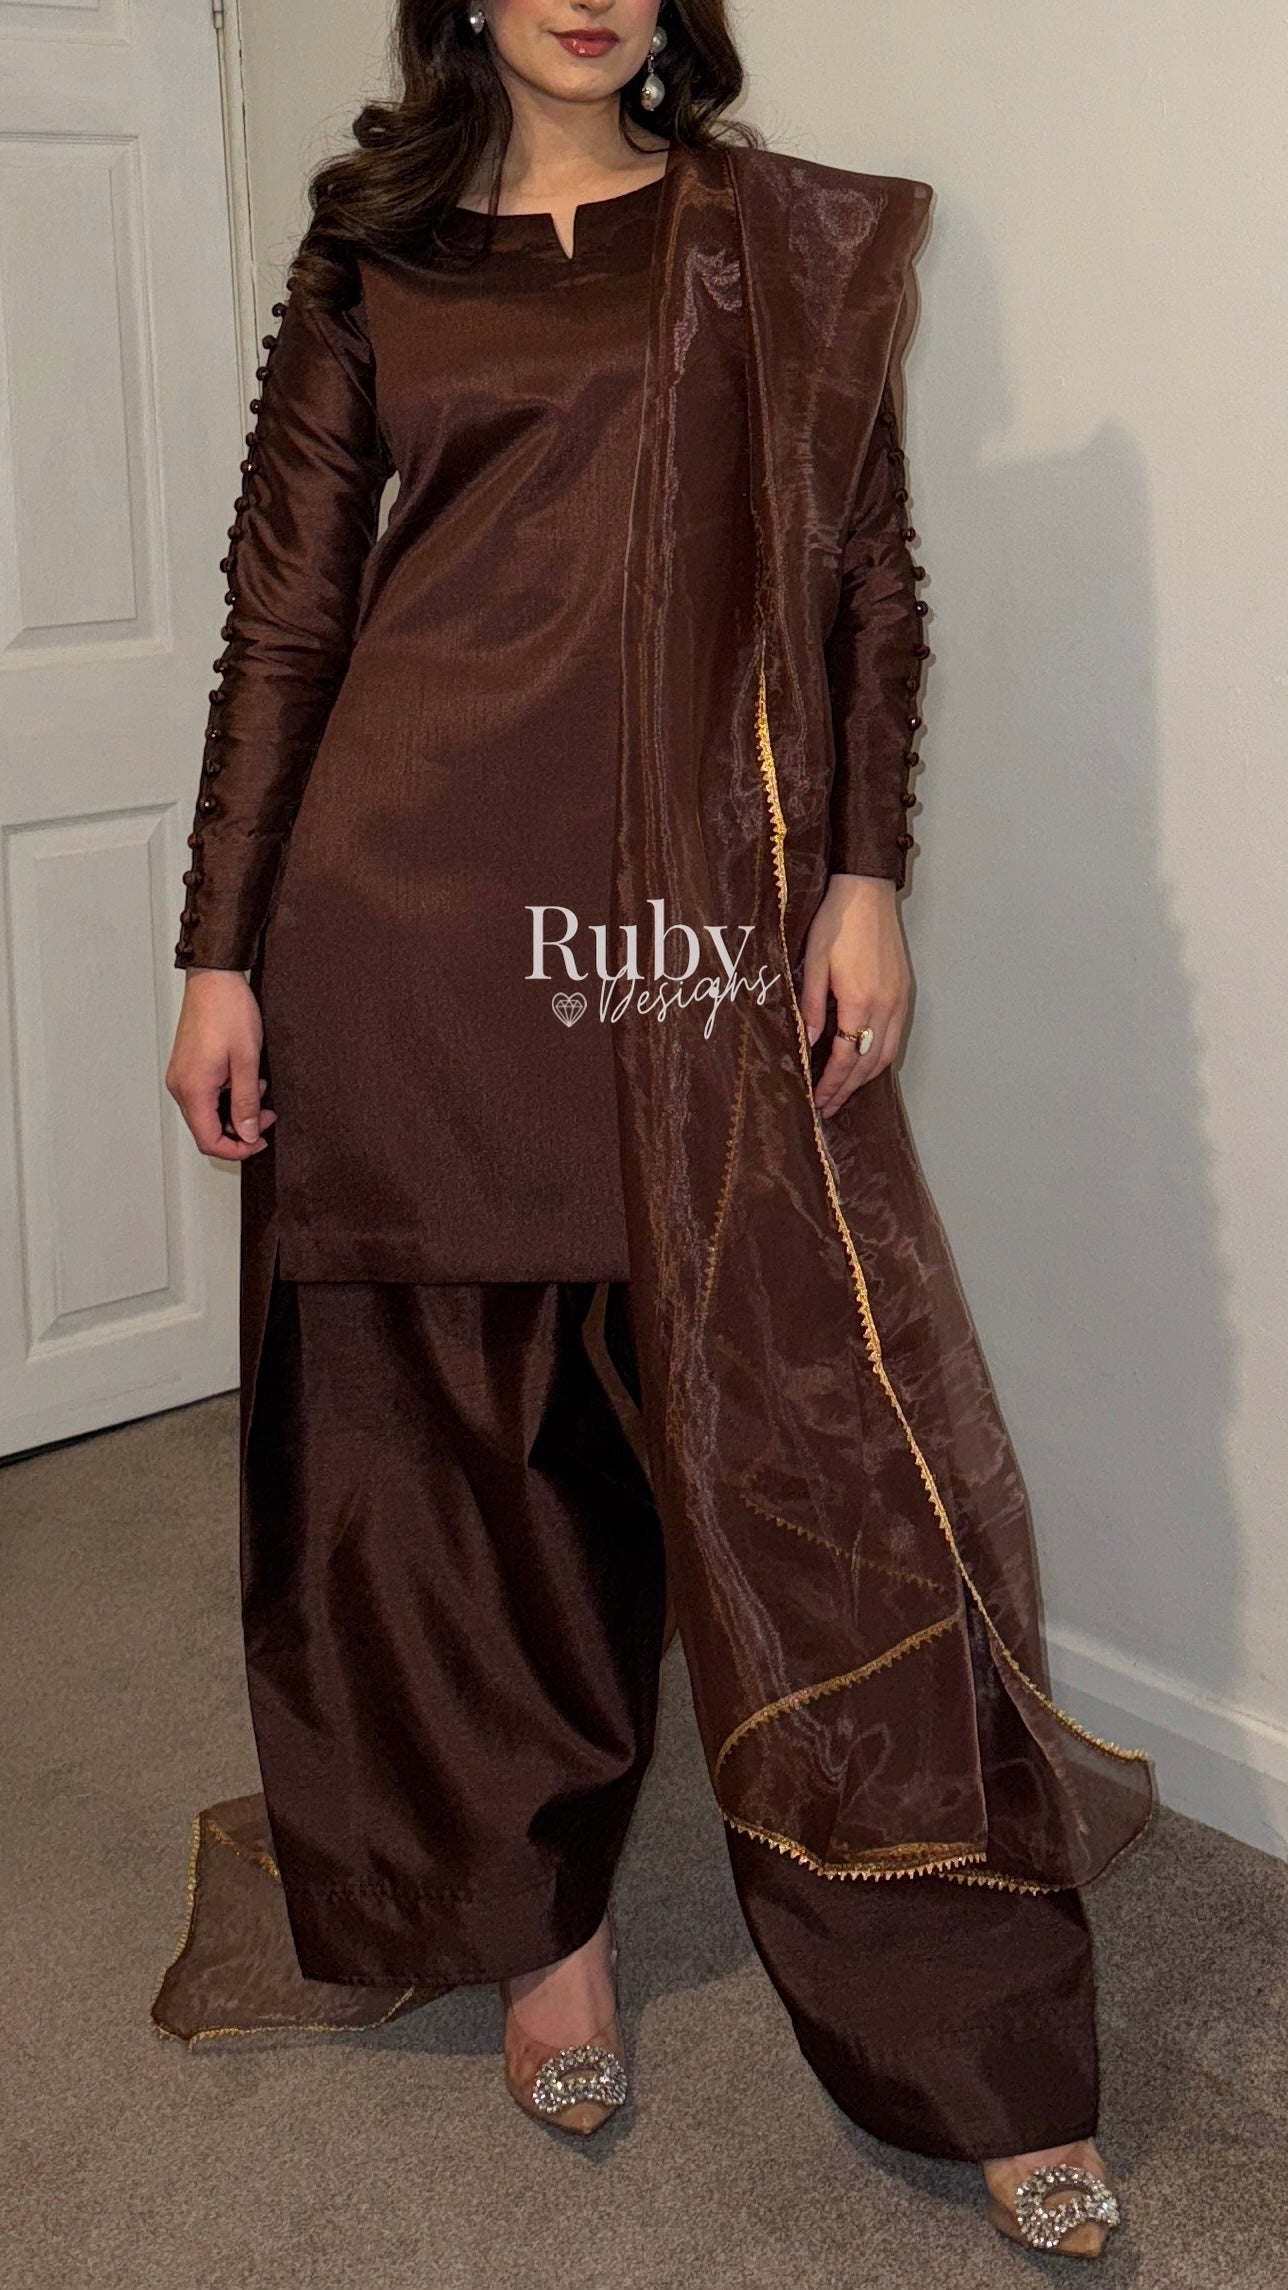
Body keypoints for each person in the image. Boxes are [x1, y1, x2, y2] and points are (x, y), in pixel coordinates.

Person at [162, 0, 1153, 2259]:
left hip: (691, 942)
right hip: (408, 929)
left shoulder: (774, 245)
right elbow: (284, 621)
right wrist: (220, 949)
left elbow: (866, 575)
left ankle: (974, 2036)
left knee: (824, 1493)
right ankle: (546, 1934)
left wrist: (864, 874)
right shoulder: (370, 261)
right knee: (463, 1476)